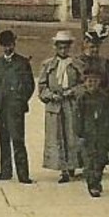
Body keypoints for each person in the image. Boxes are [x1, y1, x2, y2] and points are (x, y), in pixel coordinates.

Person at [0, 29, 36, 183]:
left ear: (14, 45)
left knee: (17, 140)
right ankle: (5, 171)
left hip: (15, 109)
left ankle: (23, 174)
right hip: (0, 108)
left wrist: (20, 101)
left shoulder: (22, 63)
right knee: (3, 140)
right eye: (5, 46)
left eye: (10, 45)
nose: (8, 48)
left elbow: (29, 86)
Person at [39, 31, 83, 182]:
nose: (63, 50)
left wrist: (72, 91)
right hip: (55, 106)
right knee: (57, 136)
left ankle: (72, 165)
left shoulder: (77, 65)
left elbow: (83, 84)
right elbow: (42, 87)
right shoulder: (48, 65)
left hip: (71, 104)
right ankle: (62, 169)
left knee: (71, 134)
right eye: (60, 47)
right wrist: (52, 95)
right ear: (56, 48)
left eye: (66, 47)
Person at [77, 67, 109, 198]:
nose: (92, 84)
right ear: (84, 82)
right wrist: (79, 134)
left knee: (100, 159)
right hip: (88, 133)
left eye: (94, 81)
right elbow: (78, 117)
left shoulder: (105, 99)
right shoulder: (82, 98)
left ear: (99, 82)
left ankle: (97, 180)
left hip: (102, 133)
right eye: (89, 81)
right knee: (89, 160)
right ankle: (92, 184)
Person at [78, 27, 109, 95]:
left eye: (97, 47)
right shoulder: (76, 62)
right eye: (92, 47)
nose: (95, 50)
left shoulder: (104, 63)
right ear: (85, 44)